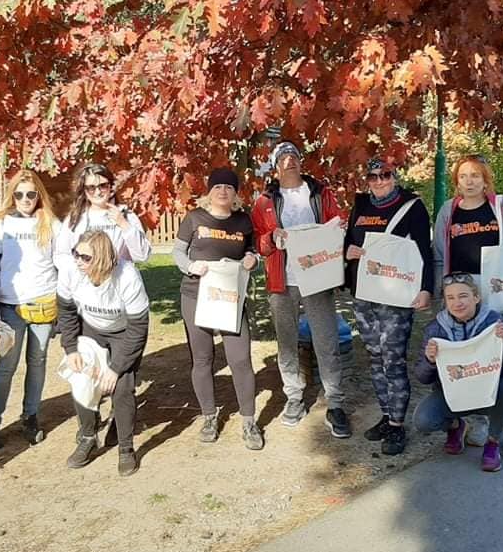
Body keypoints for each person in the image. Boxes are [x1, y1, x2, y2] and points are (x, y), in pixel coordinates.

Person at [433, 155, 503, 456]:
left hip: (501, 289)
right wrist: (440, 295)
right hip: (464, 294)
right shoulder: (448, 211)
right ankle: (480, 422)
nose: (469, 181)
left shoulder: (500, 207)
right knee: (475, 362)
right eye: (463, 176)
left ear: (485, 180)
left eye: (475, 175)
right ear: (456, 181)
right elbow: (439, 257)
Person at [250, 141, 352, 438]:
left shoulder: (320, 193)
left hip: (317, 276)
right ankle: (294, 397)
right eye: (282, 157)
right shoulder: (264, 201)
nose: (289, 161)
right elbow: (258, 242)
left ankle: (335, 403)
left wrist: (338, 228)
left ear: (300, 161)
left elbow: (337, 222)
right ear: (275, 167)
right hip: (282, 279)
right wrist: (271, 237)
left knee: (326, 339)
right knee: (287, 341)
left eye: (293, 155)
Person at [344, 157, 434, 456]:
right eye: (373, 176)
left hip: (396, 297)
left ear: (395, 177)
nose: (380, 181)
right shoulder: (360, 206)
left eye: (385, 175)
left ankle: (397, 424)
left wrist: (426, 288)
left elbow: (424, 251)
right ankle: (386, 415)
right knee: (375, 358)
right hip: (363, 293)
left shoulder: (412, 207)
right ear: (367, 181)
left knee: (393, 360)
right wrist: (348, 251)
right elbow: (348, 241)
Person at [173, 168, 263, 450]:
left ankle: (249, 421)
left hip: (230, 297)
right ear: (209, 191)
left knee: (240, 359)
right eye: (217, 187)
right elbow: (178, 252)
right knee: (202, 359)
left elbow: (252, 252)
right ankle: (209, 417)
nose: (223, 191)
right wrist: (190, 266)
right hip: (196, 295)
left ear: (236, 193)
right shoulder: (194, 218)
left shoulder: (243, 220)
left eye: (229, 187)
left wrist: (253, 260)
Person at [57, 230, 150, 476]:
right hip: (91, 328)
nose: (78, 261)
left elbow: (138, 328)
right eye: (76, 253)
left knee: (121, 386)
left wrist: (116, 368)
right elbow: (66, 312)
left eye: (85, 257)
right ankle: (88, 437)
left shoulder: (127, 276)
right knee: (81, 378)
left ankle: (126, 448)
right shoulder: (70, 271)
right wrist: (71, 348)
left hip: (125, 331)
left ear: (101, 259)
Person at [0, 170, 61, 450]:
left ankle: (30, 416)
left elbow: (63, 265)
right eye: (19, 194)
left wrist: (63, 307)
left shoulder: (51, 223)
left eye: (31, 194)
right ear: (11, 195)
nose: (25, 199)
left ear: (39, 194)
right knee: (6, 366)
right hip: (10, 307)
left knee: (37, 362)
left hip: (43, 306)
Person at [413, 272, 503, 472]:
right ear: (445, 302)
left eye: (463, 296)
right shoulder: (435, 329)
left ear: (476, 298)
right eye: (450, 298)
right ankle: (455, 426)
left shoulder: (493, 321)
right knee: (423, 420)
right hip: (452, 394)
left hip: (486, 390)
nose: (457, 303)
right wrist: (430, 360)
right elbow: (422, 377)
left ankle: (492, 443)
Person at [56, 163, 152, 269]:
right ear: (84, 191)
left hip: (119, 278)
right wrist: (80, 267)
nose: (98, 192)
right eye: (91, 188)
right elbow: (61, 255)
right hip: (84, 278)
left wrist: (124, 224)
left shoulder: (126, 215)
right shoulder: (75, 218)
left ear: (111, 187)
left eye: (102, 186)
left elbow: (142, 255)